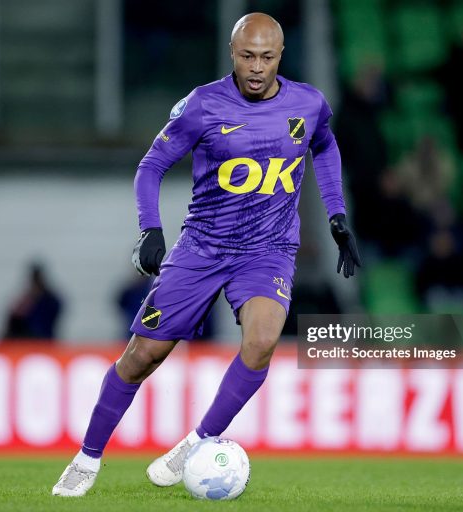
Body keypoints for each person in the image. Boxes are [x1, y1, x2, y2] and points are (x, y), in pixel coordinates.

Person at [52, 12, 361, 497]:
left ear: (281, 55)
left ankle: (195, 442)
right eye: (247, 56)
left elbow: (324, 147)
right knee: (142, 356)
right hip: (203, 246)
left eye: (266, 56)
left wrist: (337, 215)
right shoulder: (203, 104)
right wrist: (150, 230)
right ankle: (87, 458)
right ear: (232, 55)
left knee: (261, 344)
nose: (257, 67)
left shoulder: (309, 103)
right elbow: (151, 166)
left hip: (269, 248)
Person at [1, 261, 63, 341]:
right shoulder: (28, 298)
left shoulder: (50, 300)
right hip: (28, 337)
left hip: (41, 338)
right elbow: (14, 318)